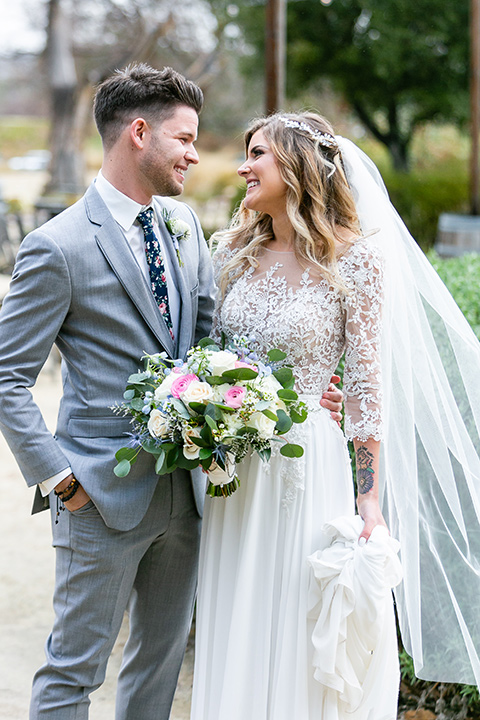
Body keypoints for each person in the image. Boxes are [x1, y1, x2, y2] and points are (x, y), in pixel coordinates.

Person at [0, 68, 343, 719]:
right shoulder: (58, 246)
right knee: (74, 671)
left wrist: (300, 392)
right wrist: (62, 480)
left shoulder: (186, 226)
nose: (196, 153)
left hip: (187, 496)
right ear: (138, 133)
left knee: (156, 672)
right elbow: (6, 376)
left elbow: (219, 342)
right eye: (185, 138)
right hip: (99, 496)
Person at [190, 112, 480, 720]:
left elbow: (368, 387)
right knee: (238, 608)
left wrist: (369, 502)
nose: (243, 166)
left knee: (298, 613)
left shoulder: (359, 262)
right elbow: (209, 352)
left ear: (295, 165)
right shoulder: (233, 252)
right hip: (233, 470)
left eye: (257, 154)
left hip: (308, 465)